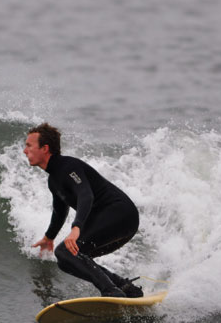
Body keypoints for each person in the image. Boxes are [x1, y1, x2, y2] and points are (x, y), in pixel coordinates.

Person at [23, 123, 143, 298]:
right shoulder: (54, 180)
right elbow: (59, 211)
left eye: (29, 146)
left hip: (120, 214)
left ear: (45, 148)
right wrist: (49, 237)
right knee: (68, 259)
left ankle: (110, 291)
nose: (25, 151)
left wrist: (76, 227)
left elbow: (85, 195)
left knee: (65, 252)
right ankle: (125, 288)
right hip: (119, 221)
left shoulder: (68, 167)